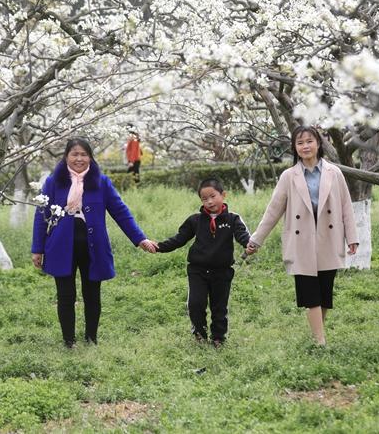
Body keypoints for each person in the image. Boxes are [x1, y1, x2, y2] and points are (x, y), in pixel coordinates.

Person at [31, 138, 157, 348]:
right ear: (66, 156)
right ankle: (69, 341)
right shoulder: (54, 182)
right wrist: (38, 248)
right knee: (65, 295)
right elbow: (40, 215)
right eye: (74, 154)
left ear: (90, 157)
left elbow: (120, 212)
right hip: (60, 246)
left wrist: (140, 238)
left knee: (92, 294)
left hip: (93, 246)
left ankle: (91, 339)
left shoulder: (101, 182)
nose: (79, 159)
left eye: (84, 154)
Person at [246, 126, 359, 346]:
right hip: (301, 240)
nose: (305, 146)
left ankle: (317, 334)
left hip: (329, 237)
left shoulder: (334, 172)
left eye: (309, 141)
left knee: (325, 293)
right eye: (300, 143)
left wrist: (352, 237)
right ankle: (320, 342)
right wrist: (256, 239)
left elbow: (346, 205)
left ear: (319, 144)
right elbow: (273, 210)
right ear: (294, 148)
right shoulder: (289, 176)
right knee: (310, 293)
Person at [150, 178, 253, 347]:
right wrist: (159, 247)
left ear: (223, 195)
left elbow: (243, 235)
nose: (209, 202)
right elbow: (179, 239)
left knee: (219, 307)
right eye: (204, 199)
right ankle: (199, 334)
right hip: (197, 271)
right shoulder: (195, 220)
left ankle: (218, 338)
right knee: (195, 304)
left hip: (222, 271)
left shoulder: (233, 219)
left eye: (213, 196)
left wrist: (249, 244)